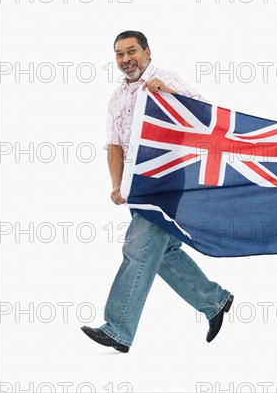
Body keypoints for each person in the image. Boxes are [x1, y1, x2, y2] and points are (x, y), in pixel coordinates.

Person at [81, 31, 234, 353]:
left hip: (169, 181)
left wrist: (170, 94)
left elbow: (207, 117)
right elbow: (114, 145)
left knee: (137, 249)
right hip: (137, 184)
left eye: (132, 51)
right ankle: (214, 300)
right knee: (161, 253)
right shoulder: (117, 96)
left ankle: (118, 329)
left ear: (147, 51)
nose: (126, 59)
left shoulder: (164, 79)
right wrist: (116, 185)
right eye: (119, 54)